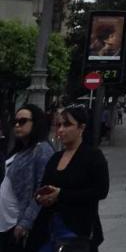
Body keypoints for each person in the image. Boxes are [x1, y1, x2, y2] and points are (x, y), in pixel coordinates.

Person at [28, 104, 109, 252]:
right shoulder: (55, 157)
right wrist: (42, 197)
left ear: (81, 127)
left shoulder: (93, 156)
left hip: (77, 230)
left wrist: (61, 195)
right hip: (49, 228)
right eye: (58, 125)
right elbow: (45, 185)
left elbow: (100, 191)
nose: (61, 130)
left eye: (67, 125)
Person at [0, 105, 55, 249]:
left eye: (23, 121)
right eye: (15, 122)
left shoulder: (41, 149)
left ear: (36, 123)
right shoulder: (22, 149)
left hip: (17, 225)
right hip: (5, 222)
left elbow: (42, 189)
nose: (17, 125)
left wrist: (26, 222)